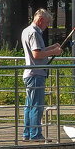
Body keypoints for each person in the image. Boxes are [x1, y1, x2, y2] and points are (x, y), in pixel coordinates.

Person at [21, 9, 62, 141]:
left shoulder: (26, 30)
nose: (47, 26)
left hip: (30, 73)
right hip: (36, 74)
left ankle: (27, 133)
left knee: (29, 105)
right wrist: (54, 51)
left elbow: (38, 50)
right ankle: (35, 134)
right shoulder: (34, 33)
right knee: (36, 106)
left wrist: (51, 48)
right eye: (47, 23)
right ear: (40, 20)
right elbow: (36, 54)